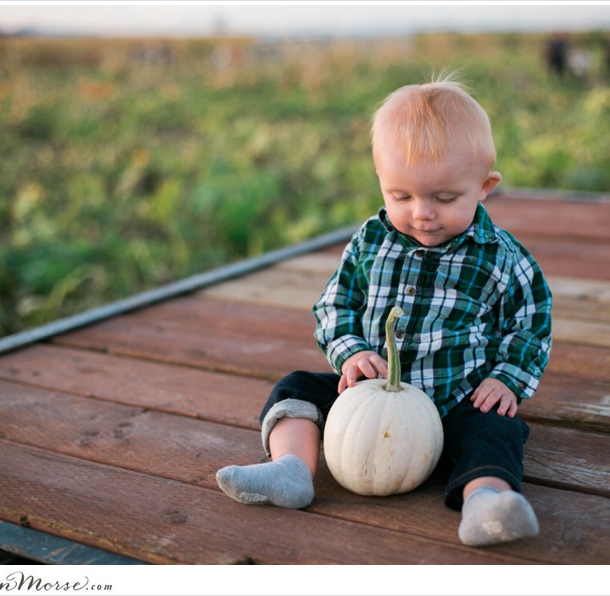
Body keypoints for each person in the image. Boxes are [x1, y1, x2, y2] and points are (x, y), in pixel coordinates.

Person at [216, 75, 553, 548]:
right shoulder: (371, 242)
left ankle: (486, 501)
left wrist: (508, 378)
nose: (421, 213)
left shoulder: (499, 256)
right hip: (370, 400)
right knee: (295, 388)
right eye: (402, 196)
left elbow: (532, 319)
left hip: (457, 400)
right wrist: (351, 352)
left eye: (444, 198)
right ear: (382, 181)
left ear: (484, 186)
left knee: (496, 430)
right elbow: (336, 303)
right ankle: (291, 469)